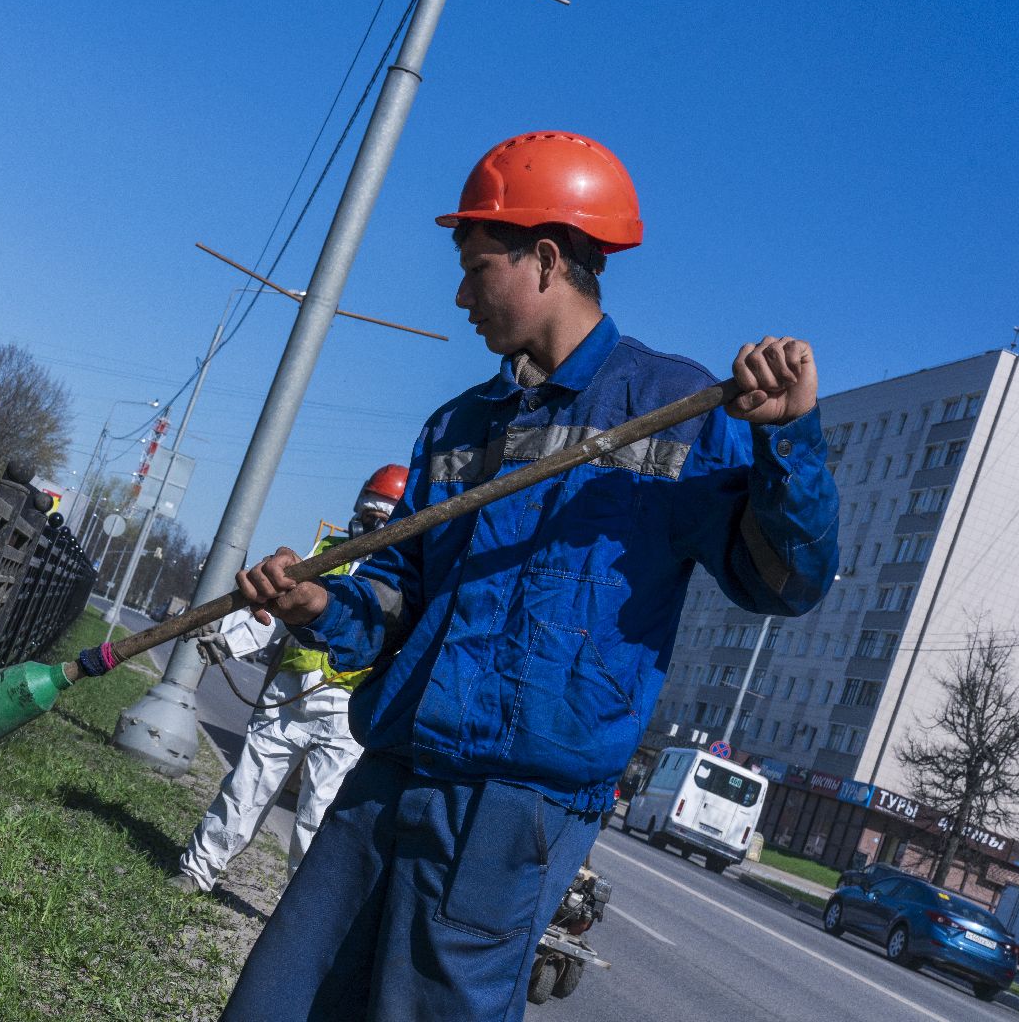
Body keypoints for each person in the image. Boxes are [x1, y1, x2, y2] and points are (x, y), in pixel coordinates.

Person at [220, 131, 840, 1021]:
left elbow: (785, 583)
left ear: (545, 259)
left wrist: (786, 442)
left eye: (476, 268)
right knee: (279, 1004)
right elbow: (396, 595)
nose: (460, 296)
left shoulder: (677, 411)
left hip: (512, 811)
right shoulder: (457, 427)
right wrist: (317, 602)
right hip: (390, 772)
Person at [169, 466, 409, 894]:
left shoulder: (397, 580)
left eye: (384, 517)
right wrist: (227, 641)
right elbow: (279, 609)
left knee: (319, 815)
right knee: (245, 788)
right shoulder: (326, 553)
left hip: (347, 710)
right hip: (289, 696)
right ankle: (197, 872)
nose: (373, 524)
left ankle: (297, 909)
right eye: (369, 513)